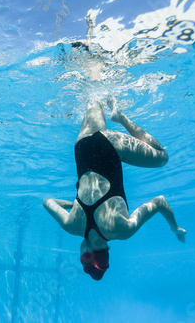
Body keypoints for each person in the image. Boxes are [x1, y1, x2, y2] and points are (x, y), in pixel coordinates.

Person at [43, 99, 186, 280]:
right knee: (94, 95)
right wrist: (74, 205)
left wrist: (175, 228)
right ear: (86, 253)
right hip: (82, 148)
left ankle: (121, 118)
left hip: (107, 144)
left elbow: (160, 202)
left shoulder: (122, 230)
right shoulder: (72, 225)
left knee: (162, 158)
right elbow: (47, 202)